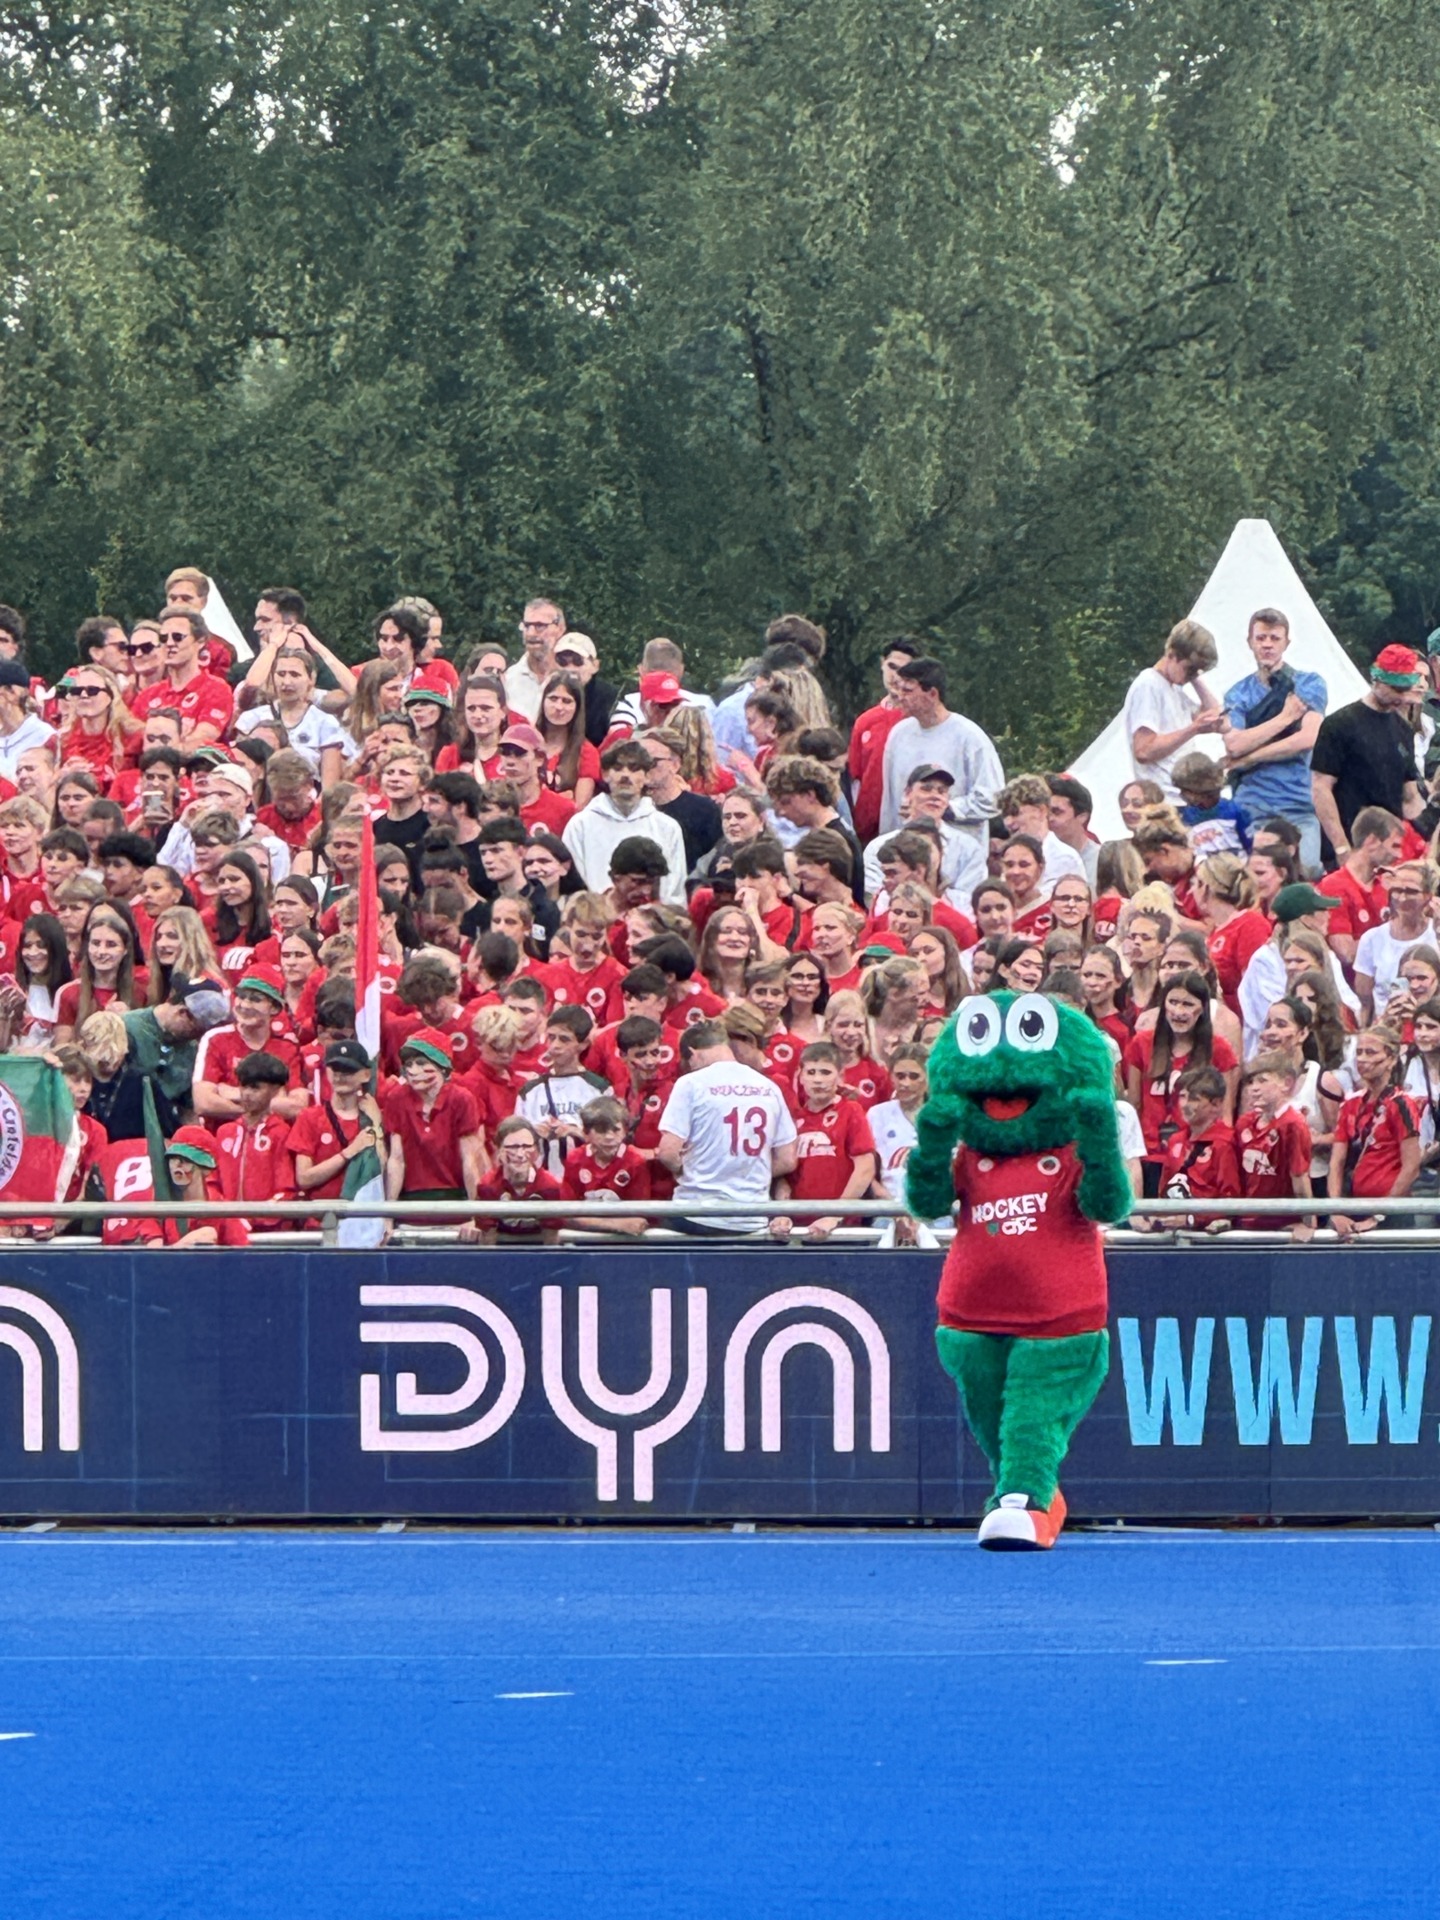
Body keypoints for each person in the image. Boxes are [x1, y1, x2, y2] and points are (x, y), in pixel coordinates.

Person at [656, 1018, 797, 1234]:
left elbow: (667, 1152)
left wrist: (688, 1169)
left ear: (693, 1053)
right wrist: (742, 1173)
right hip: (751, 1217)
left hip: (696, 1213)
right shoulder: (768, 1087)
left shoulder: (691, 1083)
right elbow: (787, 1159)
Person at [1221, 607, 1328, 871]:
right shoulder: (1238, 693)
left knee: (1308, 869)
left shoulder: (1308, 683)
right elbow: (1234, 744)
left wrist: (1249, 757)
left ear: (1286, 642)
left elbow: (1308, 738)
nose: (1267, 644)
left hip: (1298, 801)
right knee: (1253, 875)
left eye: (1274, 638)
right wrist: (1284, 718)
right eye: (1261, 638)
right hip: (1252, 802)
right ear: (1250, 642)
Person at [1310, 646, 1428, 861]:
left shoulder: (1403, 729)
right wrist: (1341, 847)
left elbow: (1410, 797)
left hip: (1390, 849)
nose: (1401, 697)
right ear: (1376, 681)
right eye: (1396, 689)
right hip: (1351, 842)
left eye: (1406, 690)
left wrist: (1428, 833)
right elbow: (1320, 788)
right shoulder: (1340, 724)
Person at [878, 657, 1004, 842]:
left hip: (957, 849)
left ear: (932, 694)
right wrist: (885, 843)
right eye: (899, 689)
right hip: (907, 848)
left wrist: (943, 809)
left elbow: (993, 798)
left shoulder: (969, 737)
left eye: (908, 691)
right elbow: (890, 802)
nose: (900, 696)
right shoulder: (898, 735)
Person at [769, 1040, 877, 1242]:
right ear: (800, 1076)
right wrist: (783, 1212)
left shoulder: (851, 1111)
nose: (817, 1080)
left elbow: (865, 1168)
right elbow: (785, 1176)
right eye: (811, 1072)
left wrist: (835, 1215)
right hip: (799, 1231)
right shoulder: (793, 1120)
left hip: (842, 1231)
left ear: (840, 1076)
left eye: (825, 1072)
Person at [562, 741, 687, 902]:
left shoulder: (667, 827)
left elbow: (675, 891)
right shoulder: (580, 826)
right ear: (605, 774)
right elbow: (573, 887)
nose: (625, 775)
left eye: (634, 769)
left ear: (647, 776)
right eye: (618, 768)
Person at [1329, 1024, 1421, 1236]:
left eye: (1370, 1053)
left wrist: (1379, 1216)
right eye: (1359, 1052)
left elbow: (1411, 1167)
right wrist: (1336, 1211)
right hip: (1354, 1207)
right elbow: (1336, 1162)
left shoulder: (1401, 1104)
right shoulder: (1350, 1104)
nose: (1362, 1059)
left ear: (1391, 1059)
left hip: (1392, 1212)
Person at [515, 1005, 609, 1177]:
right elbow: (514, 1142)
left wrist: (576, 1132)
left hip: (585, 1180)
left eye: (564, 1039)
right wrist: (533, 1134)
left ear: (583, 1044)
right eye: (551, 1037)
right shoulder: (529, 1091)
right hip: (540, 1181)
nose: (555, 1046)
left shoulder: (599, 1089)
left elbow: (611, 1141)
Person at [1234, 1052, 1316, 1239]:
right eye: (1251, 1082)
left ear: (1286, 1083)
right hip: (1248, 1221)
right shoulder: (1245, 1123)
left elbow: (1300, 1178)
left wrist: (1308, 1224)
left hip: (1282, 1224)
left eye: (1262, 1080)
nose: (1254, 1088)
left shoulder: (1293, 1124)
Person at [214, 1052, 296, 1233]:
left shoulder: (281, 1133)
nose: (247, 1094)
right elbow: (213, 1182)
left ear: (275, 1090)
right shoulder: (224, 1132)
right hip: (227, 1228)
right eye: (244, 1086)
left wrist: (253, 1218)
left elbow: (286, 1189)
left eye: (255, 1088)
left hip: (268, 1230)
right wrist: (228, 1217)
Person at [847, 639, 920, 842]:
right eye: (892, 667)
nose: (896, 676)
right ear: (882, 664)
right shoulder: (865, 721)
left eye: (904, 670)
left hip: (908, 825)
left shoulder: (918, 720)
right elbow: (855, 779)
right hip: (867, 829)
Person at [1154, 1065, 1242, 1231]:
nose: (1185, 1105)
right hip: (1173, 1232)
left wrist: (1192, 1219)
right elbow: (1164, 1190)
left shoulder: (1224, 1143)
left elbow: (1230, 1198)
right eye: (1182, 1096)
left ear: (1216, 1104)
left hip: (1207, 1236)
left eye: (1194, 1099)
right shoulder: (1175, 1140)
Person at [1323, 807, 1405, 967]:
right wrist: (1395, 934)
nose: (1399, 855)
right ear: (1372, 841)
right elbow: (1346, 953)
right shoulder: (1333, 887)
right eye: (1394, 846)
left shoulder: (1387, 886)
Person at [1354, 863, 1435, 1025]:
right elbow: (1365, 1004)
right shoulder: (1371, 939)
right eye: (1397, 890)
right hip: (1387, 1026)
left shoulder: (1436, 934)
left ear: (1428, 896)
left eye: (1411, 891)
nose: (1402, 898)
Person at [560, 1095, 653, 1235]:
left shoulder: (635, 1162)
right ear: (586, 1133)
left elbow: (639, 1219)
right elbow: (567, 1214)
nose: (609, 1137)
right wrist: (615, 1225)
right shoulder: (575, 1160)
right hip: (585, 1237)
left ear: (625, 1131)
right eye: (601, 1130)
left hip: (625, 1241)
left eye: (616, 1130)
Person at [464, 1115, 563, 1244]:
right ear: (499, 1150)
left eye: (526, 1146)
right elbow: (488, 1243)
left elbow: (551, 1243)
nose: (520, 1154)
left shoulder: (549, 1186)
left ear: (536, 1150)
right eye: (513, 1147)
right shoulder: (488, 1186)